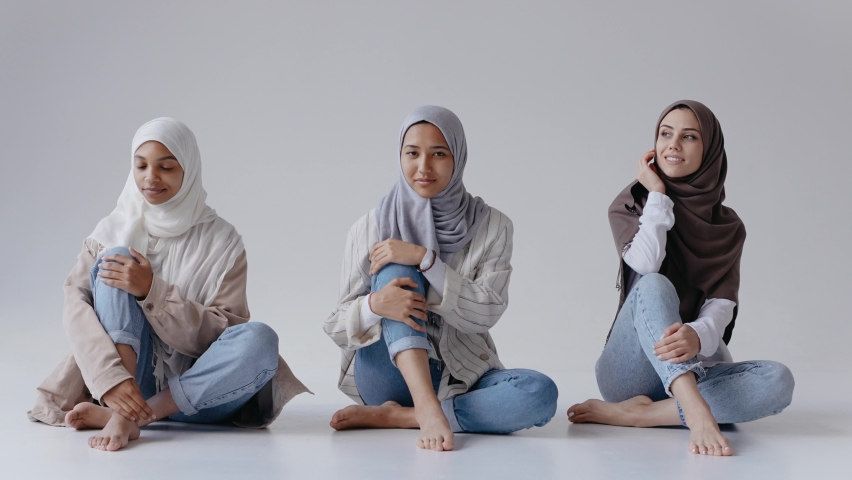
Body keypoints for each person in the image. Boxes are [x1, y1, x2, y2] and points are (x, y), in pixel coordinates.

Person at [27, 118, 309, 451]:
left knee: (261, 338)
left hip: (205, 393)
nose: (151, 177)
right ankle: (123, 407)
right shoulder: (110, 231)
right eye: (141, 165)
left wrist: (152, 293)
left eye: (167, 167)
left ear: (187, 170)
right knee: (116, 257)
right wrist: (110, 379)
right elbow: (76, 308)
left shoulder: (223, 242)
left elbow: (224, 332)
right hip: (129, 383)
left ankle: (132, 418)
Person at [323, 106, 558, 452]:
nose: (423, 168)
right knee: (393, 267)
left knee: (540, 393)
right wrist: (376, 305)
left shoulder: (493, 226)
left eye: (438, 154)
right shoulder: (370, 227)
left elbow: (487, 310)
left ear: (458, 157)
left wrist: (426, 260)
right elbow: (335, 326)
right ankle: (426, 406)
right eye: (412, 154)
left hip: (460, 377)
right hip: (387, 374)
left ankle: (406, 416)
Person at [567, 100, 794, 456]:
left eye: (689, 136)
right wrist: (657, 195)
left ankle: (642, 416)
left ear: (710, 150)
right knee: (655, 284)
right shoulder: (632, 203)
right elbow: (645, 266)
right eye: (665, 134)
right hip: (631, 371)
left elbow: (722, 302)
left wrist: (697, 333)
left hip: (697, 358)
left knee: (778, 381)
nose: (673, 144)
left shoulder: (728, 226)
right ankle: (695, 408)